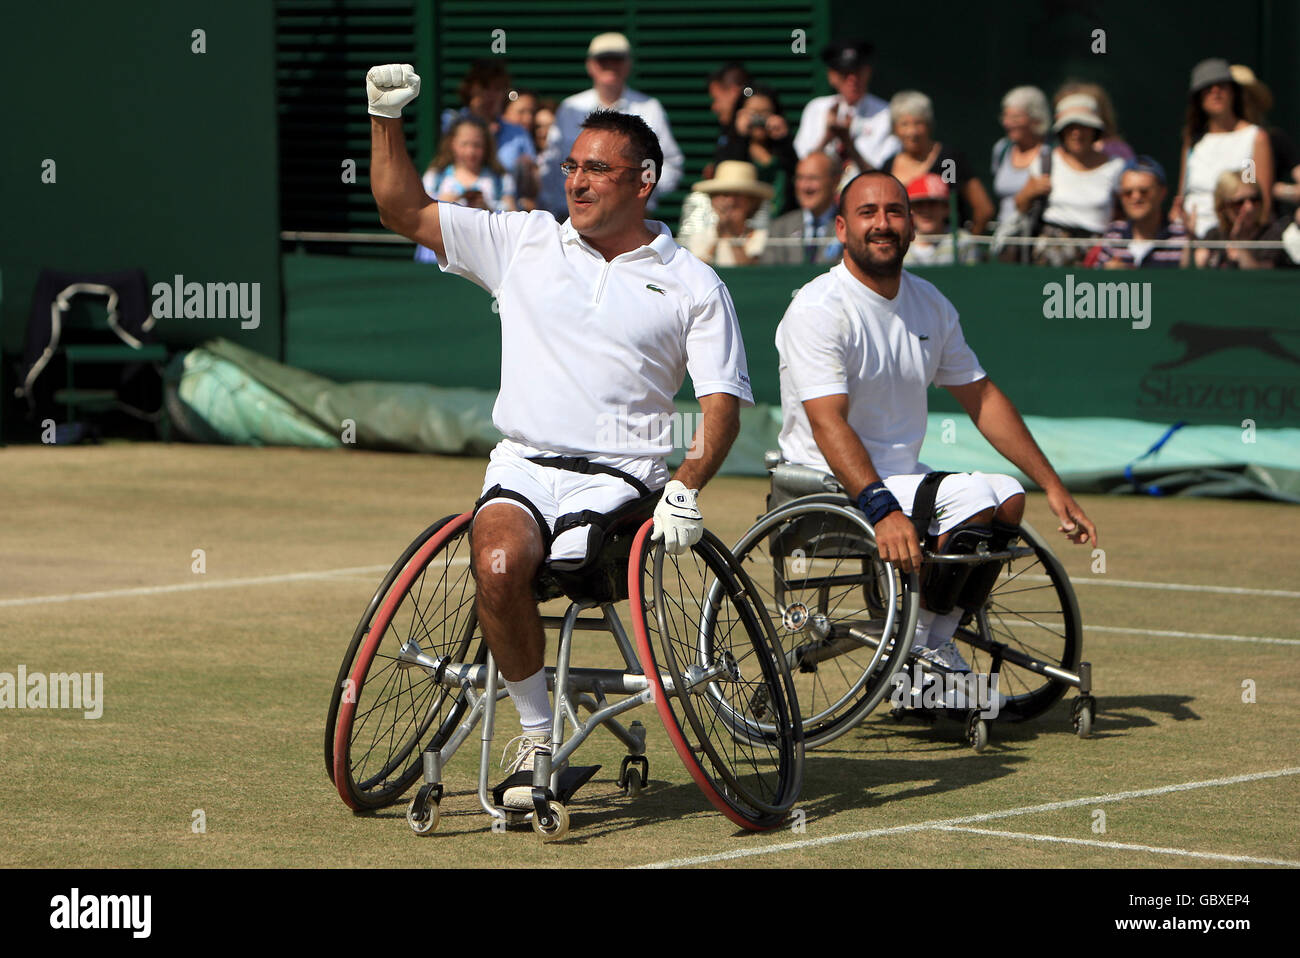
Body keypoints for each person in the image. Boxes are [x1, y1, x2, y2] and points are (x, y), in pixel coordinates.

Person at [366, 64, 753, 810]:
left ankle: (551, 716)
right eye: (572, 166)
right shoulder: (523, 241)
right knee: (499, 563)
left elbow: (721, 407)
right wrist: (385, 117)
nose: (576, 182)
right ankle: (538, 735)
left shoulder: (695, 283)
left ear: (644, 181)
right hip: (522, 465)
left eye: (596, 170)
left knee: (572, 560)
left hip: (621, 480)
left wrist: (686, 486)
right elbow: (401, 208)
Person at [774, 170, 1097, 672]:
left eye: (894, 212)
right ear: (841, 228)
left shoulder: (930, 303)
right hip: (825, 484)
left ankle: (929, 642)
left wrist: (1052, 485)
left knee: (1008, 494)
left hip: (902, 481)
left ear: (911, 226)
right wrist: (881, 507)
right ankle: (922, 652)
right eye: (867, 213)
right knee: (971, 498)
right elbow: (828, 424)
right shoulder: (817, 308)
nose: (883, 224)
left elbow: (982, 397)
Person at [537, 32, 685, 216]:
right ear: (590, 65)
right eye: (603, 60)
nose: (610, 65)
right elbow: (551, 167)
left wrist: (636, 192)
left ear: (628, 64)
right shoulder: (569, 108)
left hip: (632, 217)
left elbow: (671, 164)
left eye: (617, 59)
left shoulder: (650, 107)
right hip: (574, 214)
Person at [1176, 57, 1274, 238]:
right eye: (1207, 88)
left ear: (1233, 92)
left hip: (1234, 239)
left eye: (1222, 86)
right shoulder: (1193, 141)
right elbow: (1182, 193)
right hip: (1191, 236)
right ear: (1198, 99)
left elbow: (1260, 201)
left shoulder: (1254, 137)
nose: (1216, 92)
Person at [1028, 94, 1125, 266]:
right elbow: (1020, 205)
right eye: (1070, 127)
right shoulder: (1044, 162)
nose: (1077, 133)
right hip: (1050, 255)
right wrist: (1029, 192)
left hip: (1097, 254)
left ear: (1094, 130)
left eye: (1084, 126)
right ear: (1062, 131)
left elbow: (1123, 214)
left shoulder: (1116, 166)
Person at [880, 90, 994, 235]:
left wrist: (968, 243)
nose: (912, 132)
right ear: (894, 129)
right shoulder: (888, 166)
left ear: (929, 125)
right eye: (904, 124)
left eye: (918, 123)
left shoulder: (949, 160)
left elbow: (984, 208)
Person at [793, 40, 899, 179]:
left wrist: (848, 144)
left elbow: (881, 176)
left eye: (857, 72)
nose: (852, 79)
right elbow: (804, 167)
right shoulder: (816, 108)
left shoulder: (887, 113)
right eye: (845, 73)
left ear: (868, 72)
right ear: (831, 76)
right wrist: (827, 137)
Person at [414, 116, 515, 262]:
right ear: (452, 143)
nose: (470, 151)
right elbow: (419, 215)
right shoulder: (436, 176)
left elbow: (512, 214)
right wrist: (441, 203)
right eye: (464, 144)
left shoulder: (499, 178)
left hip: (483, 255)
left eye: (477, 145)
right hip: (439, 254)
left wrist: (488, 208)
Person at [441, 59, 537, 206]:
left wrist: (528, 172)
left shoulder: (518, 134)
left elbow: (532, 192)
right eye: (485, 87)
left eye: (497, 89)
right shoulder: (450, 124)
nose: (491, 95)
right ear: (471, 89)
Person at [1086, 156, 1189, 269]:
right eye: (1128, 193)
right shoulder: (1114, 234)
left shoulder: (1181, 238)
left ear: (1162, 192)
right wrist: (1109, 274)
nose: (1136, 197)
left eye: (1144, 191)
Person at [713, 85, 798, 217]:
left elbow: (797, 176)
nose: (759, 120)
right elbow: (728, 180)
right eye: (753, 113)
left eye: (765, 113)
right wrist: (740, 137)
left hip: (784, 221)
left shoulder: (783, 150)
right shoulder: (730, 148)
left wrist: (784, 141)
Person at [989, 85, 1051, 260]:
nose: (1007, 123)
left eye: (1015, 117)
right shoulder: (1001, 149)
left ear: (1036, 119)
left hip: (1036, 243)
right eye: (1005, 116)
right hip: (1003, 240)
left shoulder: (1050, 153)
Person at [1195, 170, 1292, 270]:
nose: (1249, 207)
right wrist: (1190, 237)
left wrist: (1240, 245)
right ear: (1223, 207)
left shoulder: (1273, 235)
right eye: (1239, 203)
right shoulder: (1214, 235)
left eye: (1254, 200)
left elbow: (1261, 275)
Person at [762, 153, 844, 265]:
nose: (805, 186)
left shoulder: (848, 227)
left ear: (835, 181)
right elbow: (767, 272)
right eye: (800, 178)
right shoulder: (780, 228)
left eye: (813, 178)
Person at [685, 161, 772, 266]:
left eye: (738, 195)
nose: (730, 201)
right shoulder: (700, 237)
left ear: (752, 201)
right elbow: (697, 271)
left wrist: (732, 234)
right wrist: (718, 237)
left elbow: (750, 272)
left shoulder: (764, 237)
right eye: (725, 194)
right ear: (713, 200)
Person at [902, 173, 978, 266]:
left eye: (932, 204)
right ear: (909, 210)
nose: (926, 211)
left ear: (946, 208)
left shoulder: (962, 241)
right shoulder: (901, 244)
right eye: (919, 204)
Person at [1053, 81, 1134, 162]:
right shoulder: (1052, 156)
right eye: (1069, 125)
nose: (1076, 133)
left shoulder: (1118, 155)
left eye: (1083, 123)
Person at [703, 61, 752, 180]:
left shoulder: (753, 129)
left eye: (716, 99)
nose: (714, 107)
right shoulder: (727, 128)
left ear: (733, 92)